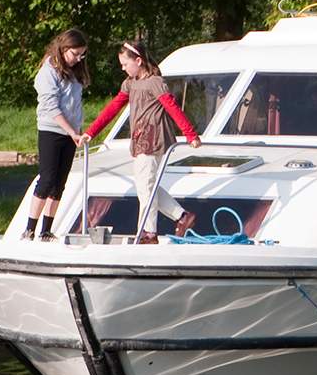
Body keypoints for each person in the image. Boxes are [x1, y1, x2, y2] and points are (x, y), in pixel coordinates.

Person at [86, 38, 203, 241]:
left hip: (153, 139)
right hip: (140, 140)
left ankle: (149, 233)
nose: (123, 68)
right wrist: (91, 132)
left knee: (145, 186)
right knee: (146, 185)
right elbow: (113, 107)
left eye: (125, 64)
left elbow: (172, 108)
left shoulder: (155, 82)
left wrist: (190, 134)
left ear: (138, 61)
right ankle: (182, 216)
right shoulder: (130, 83)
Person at [25, 29, 92, 239]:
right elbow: (51, 107)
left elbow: (74, 103)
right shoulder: (48, 71)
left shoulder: (74, 72)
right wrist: (72, 131)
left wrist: (77, 130)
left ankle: (46, 229)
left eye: (82, 55)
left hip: (71, 133)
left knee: (59, 183)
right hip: (52, 131)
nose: (78, 59)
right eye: (75, 54)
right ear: (64, 49)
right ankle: (29, 229)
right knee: (47, 179)